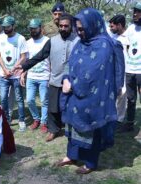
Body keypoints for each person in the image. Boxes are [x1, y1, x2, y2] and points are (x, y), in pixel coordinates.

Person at [56, 8, 124, 174]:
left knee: (91, 130)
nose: (79, 32)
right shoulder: (80, 44)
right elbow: (70, 64)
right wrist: (66, 78)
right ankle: (71, 156)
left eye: (82, 29)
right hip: (74, 95)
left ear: (93, 25)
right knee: (73, 126)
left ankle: (90, 163)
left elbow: (95, 74)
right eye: (77, 29)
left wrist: (74, 84)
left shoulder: (105, 45)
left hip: (94, 98)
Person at [14, 14, 79, 141]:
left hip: (73, 82)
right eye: (61, 26)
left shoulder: (78, 40)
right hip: (55, 80)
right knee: (52, 108)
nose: (63, 28)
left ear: (71, 26)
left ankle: (71, 130)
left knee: (71, 107)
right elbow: (40, 56)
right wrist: (24, 67)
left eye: (66, 26)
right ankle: (53, 130)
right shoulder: (52, 41)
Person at [0, 16, 28, 131]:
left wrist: (14, 69)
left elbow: (24, 56)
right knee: (3, 98)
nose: (6, 29)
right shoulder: (0, 38)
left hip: (16, 75)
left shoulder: (21, 39)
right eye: (4, 27)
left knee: (19, 99)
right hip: (4, 75)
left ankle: (21, 120)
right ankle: (6, 119)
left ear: (13, 26)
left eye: (8, 27)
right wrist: (5, 70)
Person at [21, 18, 50, 133]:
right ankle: (36, 119)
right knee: (30, 100)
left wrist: (51, 75)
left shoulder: (47, 41)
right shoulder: (27, 43)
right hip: (31, 76)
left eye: (35, 29)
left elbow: (51, 59)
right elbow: (26, 61)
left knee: (44, 101)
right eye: (31, 29)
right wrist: (23, 74)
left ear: (40, 28)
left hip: (45, 76)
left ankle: (44, 122)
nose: (32, 31)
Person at [118, 2, 141, 140]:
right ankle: (130, 124)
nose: (135, 14)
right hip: (130, 70)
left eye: (138, 11)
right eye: (134, 11)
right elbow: (121, 41)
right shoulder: (131, 28)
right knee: (131, 99)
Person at [109, 14, 129, 128]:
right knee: (116, 94)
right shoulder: (113, 38)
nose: (111, 29)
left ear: (120, 25)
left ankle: (120, 119)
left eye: (112, 26)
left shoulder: (128, 38)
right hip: (115, 70)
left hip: (128, 70)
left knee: (123, 93)